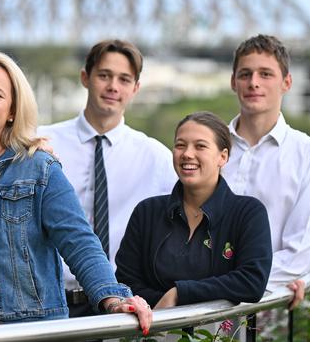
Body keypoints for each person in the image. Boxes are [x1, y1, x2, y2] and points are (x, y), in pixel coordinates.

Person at [0, 50, 152, 335]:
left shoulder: (38, 168)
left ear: (12, 111)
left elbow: (79, 241)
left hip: (13, 333)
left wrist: (114, 299)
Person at [37, 39, 178, 316]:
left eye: (124, 79)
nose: (113, 86)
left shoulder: (156, 158)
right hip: (51, 301)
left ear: (136, 88)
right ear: (85, 78)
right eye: (104, 76)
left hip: (122, 306)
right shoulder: (42, 142)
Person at [115, 111, 272, 308]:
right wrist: (163, 310)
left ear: (222, 157)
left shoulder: (248, 213)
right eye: (180, 145)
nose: (187, 154)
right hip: (152, 329)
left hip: (219, 335)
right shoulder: (147, 211)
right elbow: (125, 282)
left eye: (200, 146)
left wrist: (180, 293)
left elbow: (252, 281)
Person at [223, 34, 310, 309]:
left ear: (286, 83)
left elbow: (297, 257)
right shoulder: (208, 147)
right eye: (245, 74)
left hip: (267, 311)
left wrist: (215, 281)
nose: (254, 82)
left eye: (265, 74)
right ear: (233, 82)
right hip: (199, 312)